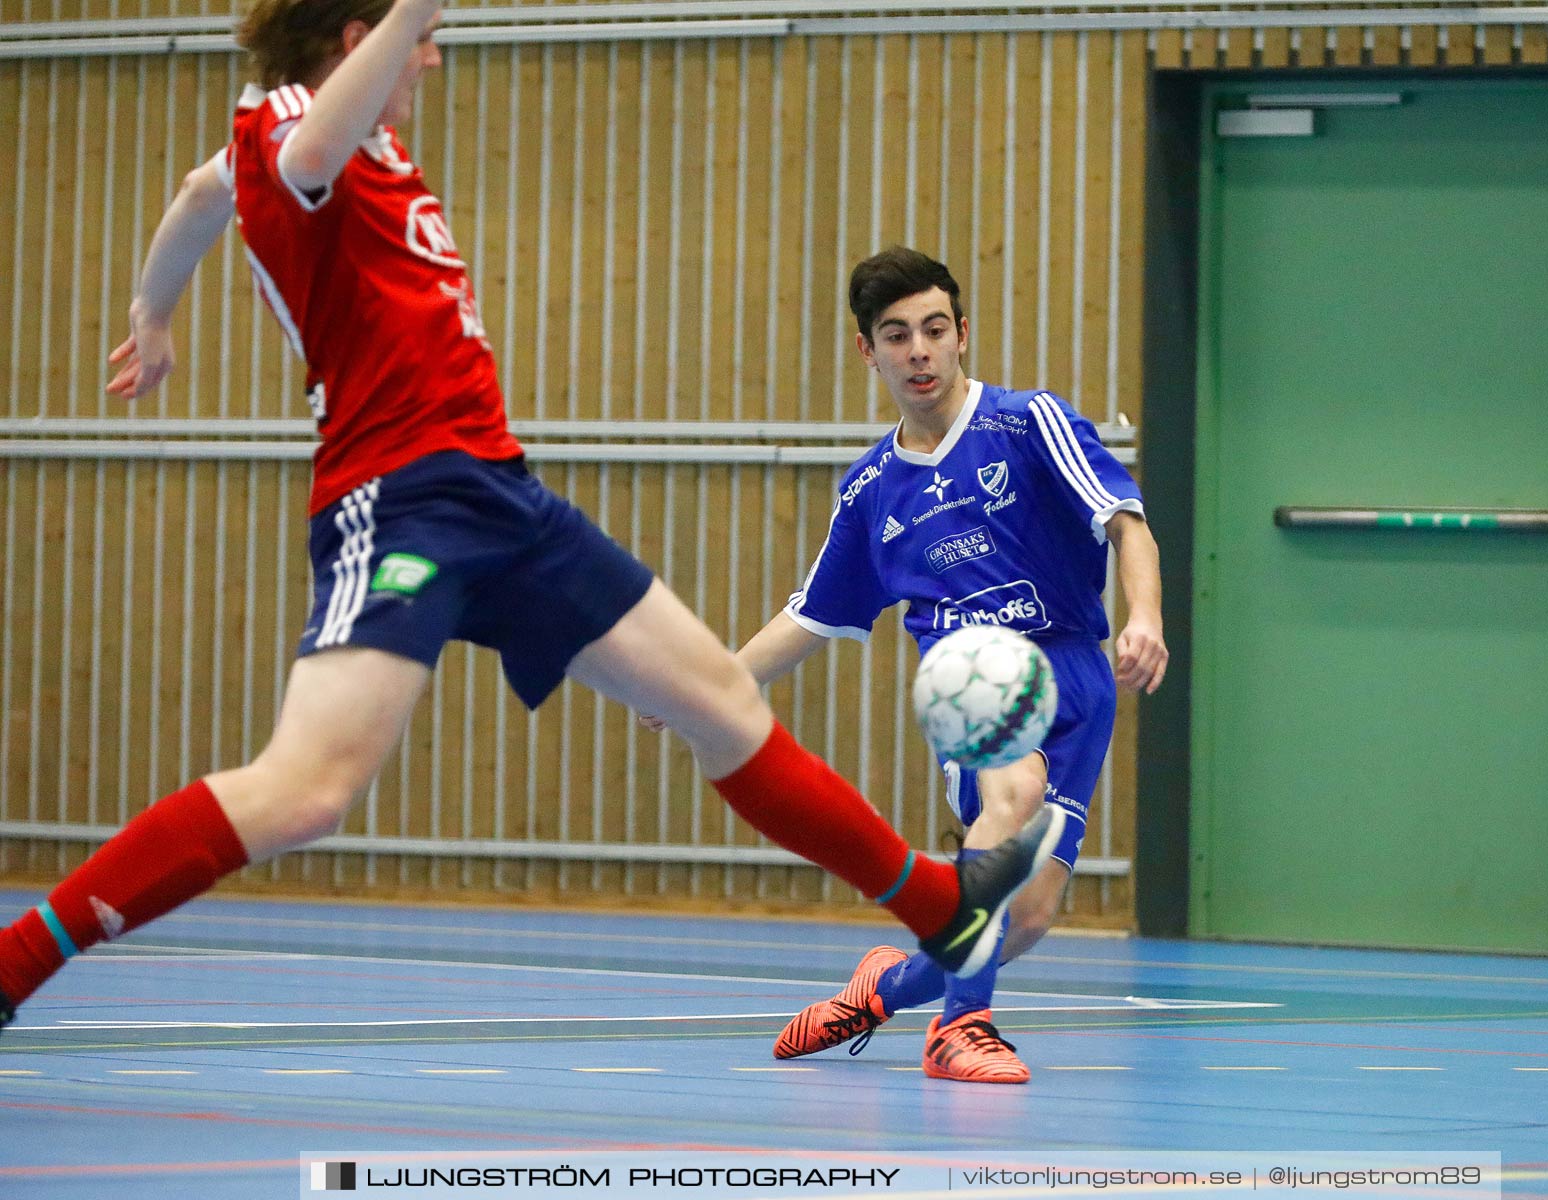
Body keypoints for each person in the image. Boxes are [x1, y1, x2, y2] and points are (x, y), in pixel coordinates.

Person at [0, 1, 1064, 1032]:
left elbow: (196, 198)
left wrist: (154, 310)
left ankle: (940, 907)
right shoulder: (293, 125)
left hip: (503, 496)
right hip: (401, 496)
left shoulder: (337, 146)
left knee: (723, 707)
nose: (434, 63)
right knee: (306, 792)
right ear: (359, 42)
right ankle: (15, 962)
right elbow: (292, 160)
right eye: (424, 44)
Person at [690, 247, 1165, 1083]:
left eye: (934, 330)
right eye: (897, 335)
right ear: (867, 351)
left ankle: (884, 989)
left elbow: (1127, 522)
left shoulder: (1027, 423)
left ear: (961, 336)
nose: (919, 350)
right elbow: (810, 615)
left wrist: (1145, 617)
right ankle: (960, 1029)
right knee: (1008, 795)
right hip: (974, 679)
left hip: (1078, 680)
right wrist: (704, 689)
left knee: (1028, 919)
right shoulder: (872, 490)